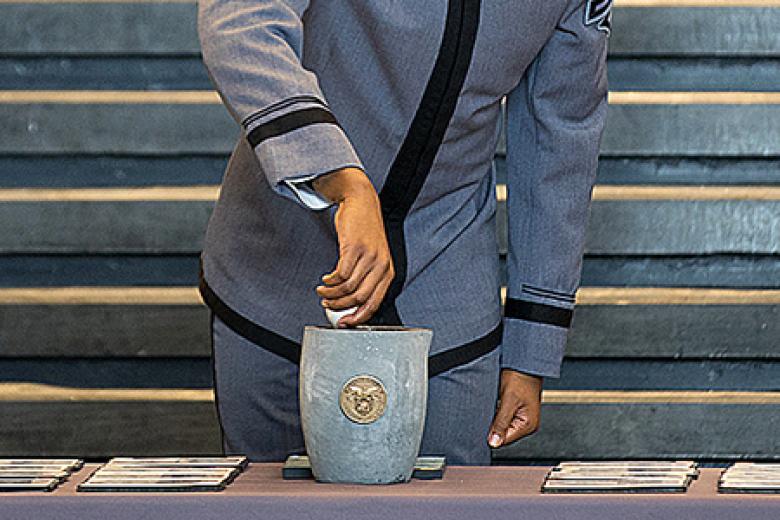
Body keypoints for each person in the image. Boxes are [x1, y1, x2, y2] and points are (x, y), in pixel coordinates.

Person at [196, 0, 611, 464]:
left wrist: (531, 349)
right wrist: (340, 178)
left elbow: (560, 133)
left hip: (448, 295)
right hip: (276, 275)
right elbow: (241, 24)